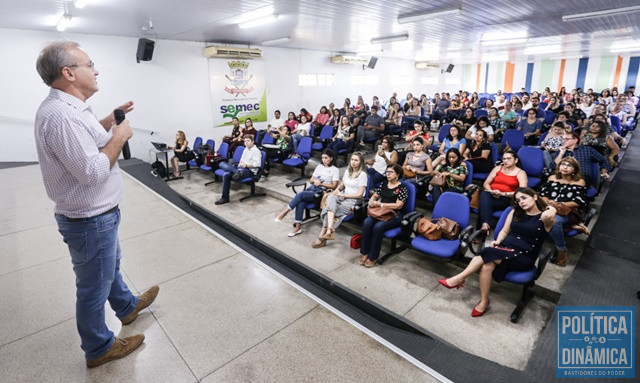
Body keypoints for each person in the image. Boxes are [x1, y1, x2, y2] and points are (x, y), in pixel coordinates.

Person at [34, 41, 159, 367]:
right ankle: (99, 347)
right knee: (93, 287)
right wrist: (119, 136)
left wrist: (104, 123)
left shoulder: (71, 111)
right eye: (90, 64)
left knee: (109, 267)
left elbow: (83, 145)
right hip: (90, 219)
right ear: (68, 72)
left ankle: (127, 306)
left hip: (97, 215)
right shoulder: (63, 117)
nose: (97, 69)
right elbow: (91, 171)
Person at [438, 188, 555, 317]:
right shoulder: (516, 212)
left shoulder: (545, 218)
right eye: (518, 200)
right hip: (505, 248)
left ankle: (459, 278)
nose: (520, 202)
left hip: (524, 255)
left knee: (486, 253)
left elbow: (549, 213)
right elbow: (504, 231)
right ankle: (484, 300)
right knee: (487, 265)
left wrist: (552, 208)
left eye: (524, 198)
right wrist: (498, 241)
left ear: (534, 197)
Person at [275, 149, 339, 236]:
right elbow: (311, 179)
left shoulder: (335, 170)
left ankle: (284, 212)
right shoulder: (319, 166)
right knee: (300, 202)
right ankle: (297, 228)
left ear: (331, 158)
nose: (324, 160)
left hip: (321, 193)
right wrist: (315, 181)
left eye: (326, 158)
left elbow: (334, 186)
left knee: (300, 195)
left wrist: (321, 183)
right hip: (312, 188)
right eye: (322, 158)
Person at [312, 153, 368, 248]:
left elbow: (360, 195)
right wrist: (337, 191)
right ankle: (330, 229)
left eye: (356, 160)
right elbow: (342, 185)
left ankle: (322, 235)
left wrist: (344, 195)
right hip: (342, 197)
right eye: (352, 159)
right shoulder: (347, 172)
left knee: (329, 209)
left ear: (361, 162)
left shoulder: (363, 175)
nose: (353, 162)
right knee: (331, 197)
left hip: (353, 201)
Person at [540, 157, 588, 266]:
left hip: (567, 210)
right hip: (548, 207)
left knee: (554, 221)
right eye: (563, 164)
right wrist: (548, 203)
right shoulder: (552, 178)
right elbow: (543, 194)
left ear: (575, 169)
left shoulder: (580, 182)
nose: (565, 167)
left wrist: (559, 205)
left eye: (569, 165)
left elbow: (579, 201)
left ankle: (561, 250)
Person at [359, 163, 409, 268]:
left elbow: (398, 206)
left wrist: (381, 204)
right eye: (387, 172)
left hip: (395, 214)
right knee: (367, 222)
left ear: (397, 174)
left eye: (391, 172)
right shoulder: (383, 184)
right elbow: (375, 195)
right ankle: (364, 252)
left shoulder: (402, 187)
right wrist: (372, 200)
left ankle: (373, 256)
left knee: (378, 227)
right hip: (382, 212)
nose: (388, 174)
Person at [477, 151, 528, 235]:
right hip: (491, 195)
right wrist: (492, 191)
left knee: (483, 204)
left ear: (516, 160)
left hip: (507, 198)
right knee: (484, 194)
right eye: (504, 158)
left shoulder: (521, 173)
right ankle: (485, 225)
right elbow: (486, 183)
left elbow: (522, 192)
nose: (505, 161)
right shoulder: (498, 168)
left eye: (508, 159)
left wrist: (502, 193)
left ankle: (483, 229)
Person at [215, 135, 262, 205]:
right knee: (222, 166)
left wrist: (246, 165)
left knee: (231, 171)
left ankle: (237, 172)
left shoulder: (256, 151)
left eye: (248, 141)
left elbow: (257, 164)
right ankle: (225, 198)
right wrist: (240, 164)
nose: (246, 143)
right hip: (240, 168)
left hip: (249, 171)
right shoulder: (246, 149)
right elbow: (241, 160)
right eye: (245, 141)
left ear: (252, 141)